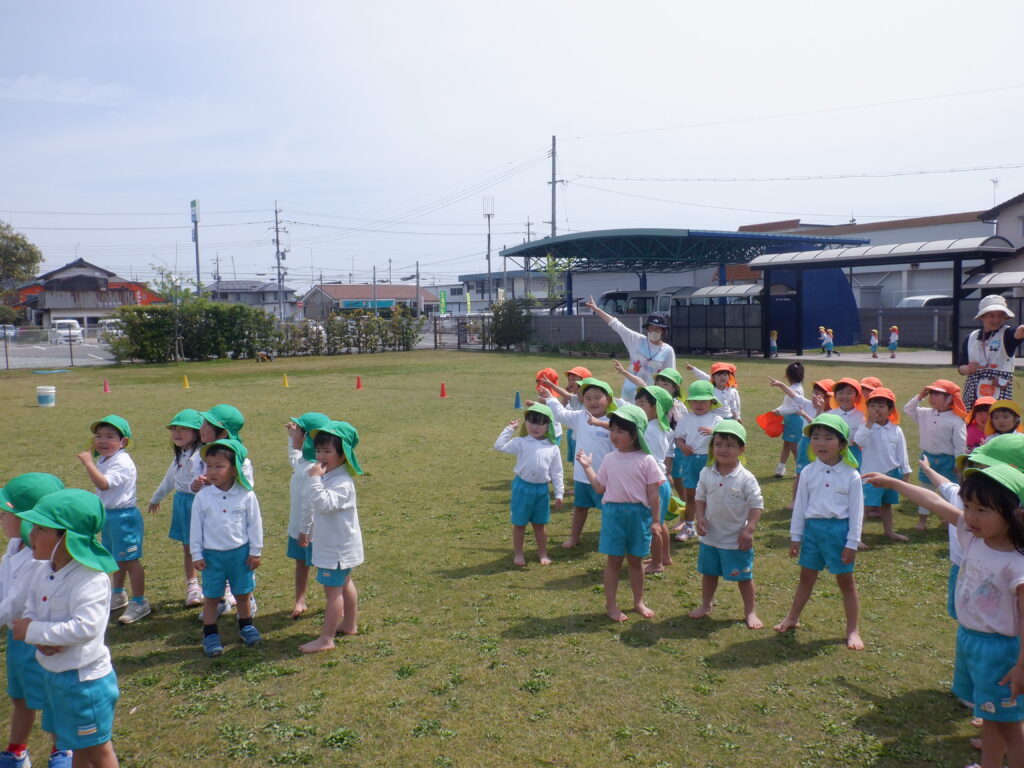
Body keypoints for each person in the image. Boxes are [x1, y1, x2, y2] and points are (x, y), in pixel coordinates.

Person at [863, 463, 1024, 768]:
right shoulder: (973, 536)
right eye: (967, 506)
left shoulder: (1017, 565)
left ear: (1015, 514)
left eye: (982, 510)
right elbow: (935, 501)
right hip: (971, 640)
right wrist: (895, 484)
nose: (970, 516)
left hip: (1001, 653)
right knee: (990, 716)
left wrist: (1021, 667)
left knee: (1011, 728)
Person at [12, 489, 121, 768]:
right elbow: (31, 608)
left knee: (97, 750)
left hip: (84, 683)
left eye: (40, 528)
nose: (31, 534)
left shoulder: (90, 579)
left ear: (67, 537)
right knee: (72, 743)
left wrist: (34, 631)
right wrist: (39, 636)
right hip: (54, 674)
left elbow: (85, 627)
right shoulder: (43, 569)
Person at [775, 414, 865, 650]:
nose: (820, 443)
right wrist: (796, 537)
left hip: (838, 533)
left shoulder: (851, 475)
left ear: (842, 443)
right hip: (813, 532)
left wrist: (852, 542)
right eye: (815, 437)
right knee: (806, 577)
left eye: (828, 438)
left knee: (846, 582)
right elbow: (800, 507)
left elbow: (857, 512)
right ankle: (792, 618)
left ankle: (852, 630)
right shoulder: (808, 472)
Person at [0, 473, 68, 768]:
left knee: (50, 699)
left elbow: (14, 602)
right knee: (20, 696)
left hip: (37, 639)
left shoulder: (36, 558)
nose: (1, 518)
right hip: (16, 637)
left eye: (6, 513)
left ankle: (61, 750)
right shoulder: (15, 546)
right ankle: (17, 750)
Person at [576, 404, 664, 622]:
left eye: (620, 431)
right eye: (612, 430)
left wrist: (655, 520)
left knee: (635, 561)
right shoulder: (609, 458)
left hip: (638, 516)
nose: (614, 435)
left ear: (635, 435)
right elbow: (599, 488)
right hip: (613, 515)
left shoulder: (647, 460)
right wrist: (587, 466)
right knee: (613, 562)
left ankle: (638, 601)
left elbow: (654, 494)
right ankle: (611, 605)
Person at [190, 439, 263, 657]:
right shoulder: (202, 497)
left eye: (219, 466)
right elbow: (196, 528)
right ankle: (210, 635)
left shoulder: (246, 494)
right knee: (212, 597)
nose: (212, 471)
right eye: (208, 466)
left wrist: (255, 551)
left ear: (234, 470)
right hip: (212, 556)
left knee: (242, 593)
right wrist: (196, 554)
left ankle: (246, 626)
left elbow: (254, 524)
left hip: (240, 554)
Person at [689, 421, 764, 628]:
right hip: (711, 536)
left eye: (730, 445)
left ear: (741, 449)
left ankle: (750, 612)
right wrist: (700, 517)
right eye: (718, 444)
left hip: (736, 540)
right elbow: (700, 496)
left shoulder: (746, 478)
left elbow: (757, 505)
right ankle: (706, 605)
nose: (723, 449)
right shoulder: (706, 472)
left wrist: (749, 530)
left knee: (744, 577)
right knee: (709, 574)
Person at [298, 421, 365, 652]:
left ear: (343, 454)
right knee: (344, 583)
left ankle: (326, 639)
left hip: (336, 548)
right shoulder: (331, 475)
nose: (321, 456)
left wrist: (314, 479)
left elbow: (324, 505)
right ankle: (349, 624)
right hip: (338, 545)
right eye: (318, 450)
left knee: (333, 592)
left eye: (327, 451)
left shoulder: (342, 482)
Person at [76, 414, 149, 624]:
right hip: (108, 516)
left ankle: (140, 602)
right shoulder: (105, 459)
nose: (103, 441)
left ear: (123, 441)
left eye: (110, 437)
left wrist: (88, 463)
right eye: (99, 436)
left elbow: (104, 484)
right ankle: (118, 594)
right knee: (116, 557)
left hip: (124, 517)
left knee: (130, 559)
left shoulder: (122, 462)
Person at [535, 378, 617, 548]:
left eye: (597, 397)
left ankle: (609, 539)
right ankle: (574, 538)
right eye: (588, 398)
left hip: (605, 478)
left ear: (608, 399)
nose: (593, 402)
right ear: (582, 400)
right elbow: (560, 414)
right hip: (582, 476)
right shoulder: (580, 416)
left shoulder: (615, 423)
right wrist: (550, 398)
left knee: (608, 511)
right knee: (580, 507)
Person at [493, 403, 564, 567]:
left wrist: (559, 493)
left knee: (540, 524)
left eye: (540, 423)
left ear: (548, 426)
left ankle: (542, 553)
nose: (534, 427)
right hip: (522, 488)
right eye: (531, 422)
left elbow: (557, 472)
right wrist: (509, 429)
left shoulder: (552, 447)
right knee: (519, 524)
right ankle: (518, 553)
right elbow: (499, 446)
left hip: (541, 490)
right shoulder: (521, 442)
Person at [147, 409, 204, 607]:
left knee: (209, 545)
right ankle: (192, 586)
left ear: (197, 432)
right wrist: (156, 498)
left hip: (198, 503)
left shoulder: (201, 454)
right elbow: (170, 478)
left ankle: (223, 585)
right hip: (182, 503)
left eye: (183, 429)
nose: (177, 433)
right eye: (174, 429)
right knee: (188, 547)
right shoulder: (181, 454)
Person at [584, 295, 676, 401]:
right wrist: (596, 309)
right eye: (651, 327)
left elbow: (671, 378)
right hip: (629, 396)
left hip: (651, 398)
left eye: (657, 328)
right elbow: (616, 325)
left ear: (663, 331)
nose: (654, 331)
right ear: (647, 328)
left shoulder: (668, 351)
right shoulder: (637, 340)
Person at [904, 380, 968, 531]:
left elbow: (960, 444)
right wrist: (919, 397)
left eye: (937, 394)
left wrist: (958, 463)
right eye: (931, 393)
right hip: (928, 458)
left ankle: (948, 520)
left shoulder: (955, 420)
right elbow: (908, 409)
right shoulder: (925, 413)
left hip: (948, 461)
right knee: (925, 490)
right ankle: (922, 520)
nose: (932, 398)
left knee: (948, 491)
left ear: (949, 398)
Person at [285, 412, 330, 619]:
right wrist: (291, 437)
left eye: (298, 431)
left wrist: (304, 531)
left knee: (324, 566)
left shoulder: (313, 470)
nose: (294, 433)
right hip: (299, 528)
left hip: (311, 531)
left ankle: (334, 600)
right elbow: (294, 456)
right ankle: (300, 600)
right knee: (300, 562)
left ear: (308, 438)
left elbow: (309, 505)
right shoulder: (303, 462)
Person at [853, 387, 910, 543]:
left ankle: (889, 532)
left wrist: (905, 471)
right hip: (871, 475)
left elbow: (902, 452)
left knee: (886, 504)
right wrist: (869, 425)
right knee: (866, 506)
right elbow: (859, 441)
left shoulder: (896, 429)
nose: (876, 409)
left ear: (890, 410)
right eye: (872, 406)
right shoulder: (865, 427)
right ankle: (856, 537)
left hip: (891, 473)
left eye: (881, 406)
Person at [672, 381, 723, 542]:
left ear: (712, 402)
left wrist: (714, 432)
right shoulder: (686, 419)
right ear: (690, 402)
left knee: (712, 494)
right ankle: (689, 527)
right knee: (691, 495)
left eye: (703, 401)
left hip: (710, 462)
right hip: (690, 461)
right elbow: (678, 437)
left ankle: (712, 525)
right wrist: (682, 446)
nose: (699, 404)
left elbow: (726, 437)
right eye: (695, 401)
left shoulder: (716, 419)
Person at [633, 385, 674, 573]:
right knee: (660, 522)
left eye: (642, 404)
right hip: (661, 480)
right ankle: (664, 557)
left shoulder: (648, 429)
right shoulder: (662, 426)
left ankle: (656, 563)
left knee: (653, 525)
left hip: (653, 483)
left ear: (656, 408)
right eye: (637, 403)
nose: (637, 407)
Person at [958, 294, 1024, 410]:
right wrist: (968, 369)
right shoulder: (971, 337)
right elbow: (961, 367)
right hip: (974, 390)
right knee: (974, 419)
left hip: (998, 388)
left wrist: (1021, 330)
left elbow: (1017, 334)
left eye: (1000, 315)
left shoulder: (1007, 334)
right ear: (982, 317)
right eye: (991, 316)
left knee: (998, 418)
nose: (996, 320)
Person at [771, 361, 805, 478]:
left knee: (794, 447)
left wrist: (780, 412)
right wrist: (778, 409)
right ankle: (780, 468)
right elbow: (787, 404)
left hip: (795, 420)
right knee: (786, 444)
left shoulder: (796, 389)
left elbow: (796, 408)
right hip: (790, 420)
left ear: (788, 376)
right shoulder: (793, 388)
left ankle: (801, 469)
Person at [828, 378, 866, 467]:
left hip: (854, 454)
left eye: (849, 393)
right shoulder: (830, 415)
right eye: (840, 393)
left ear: (857, 396)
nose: (844, 396)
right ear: (835, 396)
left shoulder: (862, 417)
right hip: (833, 454)